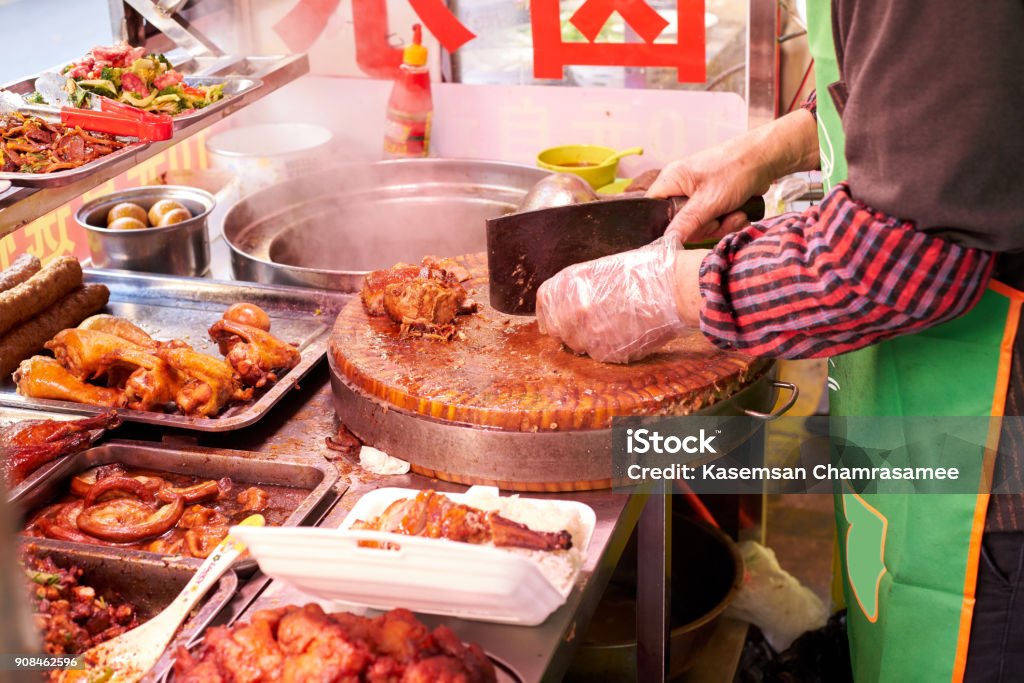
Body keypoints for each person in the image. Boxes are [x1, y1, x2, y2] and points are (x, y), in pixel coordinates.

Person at [535, 1, 1024, 681]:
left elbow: (908, 251)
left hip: (999, 471)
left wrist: (669, 291)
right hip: (925, 416)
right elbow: (933, 94)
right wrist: (767, 149)